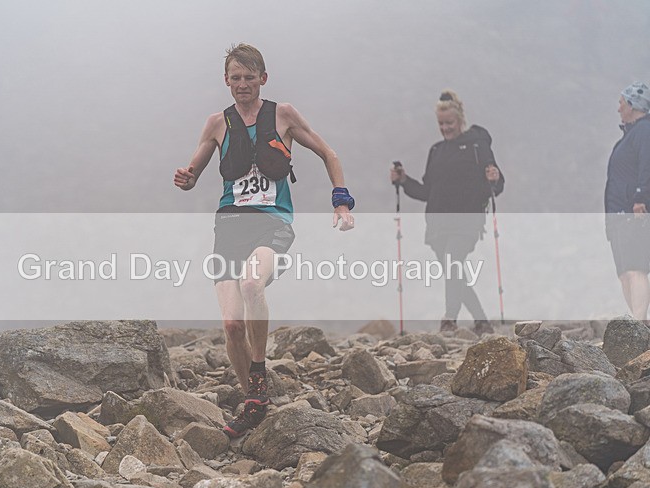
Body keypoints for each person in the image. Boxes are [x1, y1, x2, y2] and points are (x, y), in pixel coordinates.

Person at [174, 44, 355, 438]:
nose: (242, 84)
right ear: (226, 81)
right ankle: (253, 401)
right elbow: (193, 172)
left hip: (272, 223)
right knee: (231, 324)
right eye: (235, 78)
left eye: (249, 77)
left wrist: (341, 202)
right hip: (229, 226)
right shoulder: (216, 124)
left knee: (253, 282)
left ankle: (258, 373)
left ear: (263, 78)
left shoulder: (283, 115)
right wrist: (187, 179)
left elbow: (329, 153)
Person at [390, 90, 504, 336]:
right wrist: (404, 180)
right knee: (456, 274)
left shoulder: (476, 146)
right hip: (437, 226)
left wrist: (495, 178)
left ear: (460, 119)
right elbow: (426, 192)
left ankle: (449, 320)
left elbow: (496, 183)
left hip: (467, 222)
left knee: (454, 262)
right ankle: (482, 321)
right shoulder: (436, 151)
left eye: (449, 123)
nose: (445, 128)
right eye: (441, 124)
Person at [605, 82, 650, 322]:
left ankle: (640, 323)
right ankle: (637, 323)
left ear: (633, 105)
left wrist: (641, 197)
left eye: (622, 104)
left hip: (634, 212)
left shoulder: (644, 131)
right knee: (624, 273)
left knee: (636, 268)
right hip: (618, 214)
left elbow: (647, 164)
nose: (619, 109)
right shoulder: (627, 138)